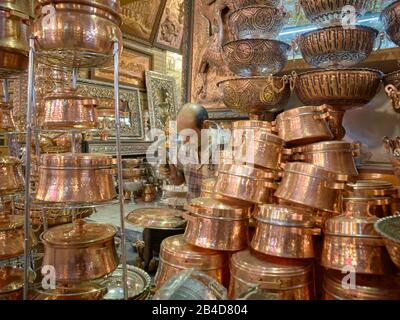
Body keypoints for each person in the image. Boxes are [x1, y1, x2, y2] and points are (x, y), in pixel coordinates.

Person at [159, 103, 217, 202]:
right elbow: (180, 180)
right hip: (192, 212)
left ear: (205, 126)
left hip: (217, 215)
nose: (184, 141)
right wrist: (173, 174)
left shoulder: (226, 148)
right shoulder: (184, 145)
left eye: (189, 135)